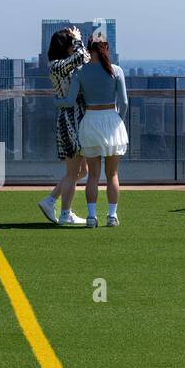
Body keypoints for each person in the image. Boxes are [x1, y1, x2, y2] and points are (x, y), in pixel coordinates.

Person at [62, 35, 128, 227]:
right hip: (111, 119)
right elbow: (123, 102)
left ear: (88, 48)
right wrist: (118, 120)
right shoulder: (116, 71)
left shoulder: (80, 71)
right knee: (112, 174)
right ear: (106, 47)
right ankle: (112, 216)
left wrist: (57, 102)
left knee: (92, 175)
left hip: (90, 120)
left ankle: (91, 217)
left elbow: (70, 99)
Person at [38, 26, 89, 225]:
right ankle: (65, 213)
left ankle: (50, 200)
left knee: (81, 171)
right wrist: (78, 39)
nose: (73, 47)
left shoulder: (62, 64)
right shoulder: (56, 65)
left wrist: (76, 40)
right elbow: (82, 57)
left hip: (76, 118)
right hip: (70, 120)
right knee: (73, 171)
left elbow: (82, 58)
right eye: (70, 43)